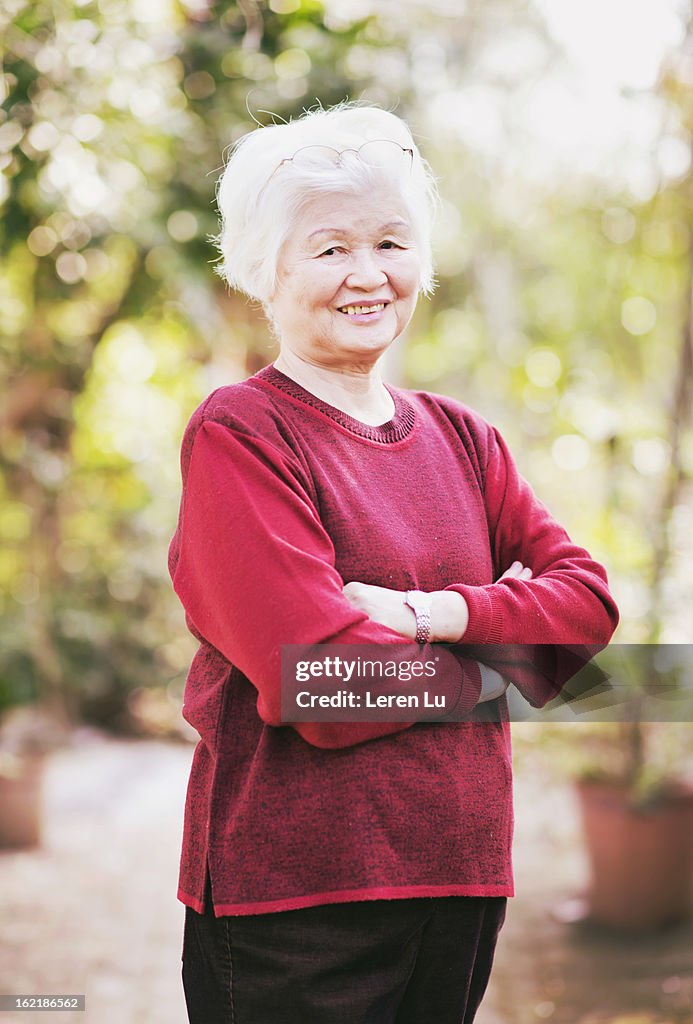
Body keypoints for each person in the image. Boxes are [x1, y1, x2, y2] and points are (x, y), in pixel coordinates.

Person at [169, 102, 619, 1024]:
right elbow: (324, 690)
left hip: (459, 882)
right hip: (296, 904)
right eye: (329, 248)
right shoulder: (242, 434)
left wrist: (433, 616)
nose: (366, 275)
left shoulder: (465, 439)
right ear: (268, 267)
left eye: (390, 242)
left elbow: (585, 616)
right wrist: (505, 670)